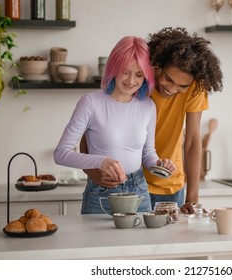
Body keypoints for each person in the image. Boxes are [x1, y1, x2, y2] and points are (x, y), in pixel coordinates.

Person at [81, 27, 223, 214]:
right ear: (158, 65)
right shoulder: (137, 77)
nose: (172, 89)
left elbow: (192, 141)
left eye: (181, 86)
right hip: (128, 183)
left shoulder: (195, 87)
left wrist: (193, 198)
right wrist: (91, 171)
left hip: (169, 185)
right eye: (167, 79)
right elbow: (91, 129)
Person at [54, 36, 176, 214]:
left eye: (139, 74)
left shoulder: (148, 106)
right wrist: (100, 161)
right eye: (125, 71)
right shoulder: (90, 102)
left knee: (141, 242)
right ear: (113, 68)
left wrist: (160, 165)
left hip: (139, 192)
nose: (131, 80)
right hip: (102, 194)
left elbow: (148, 153)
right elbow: (61, 153)